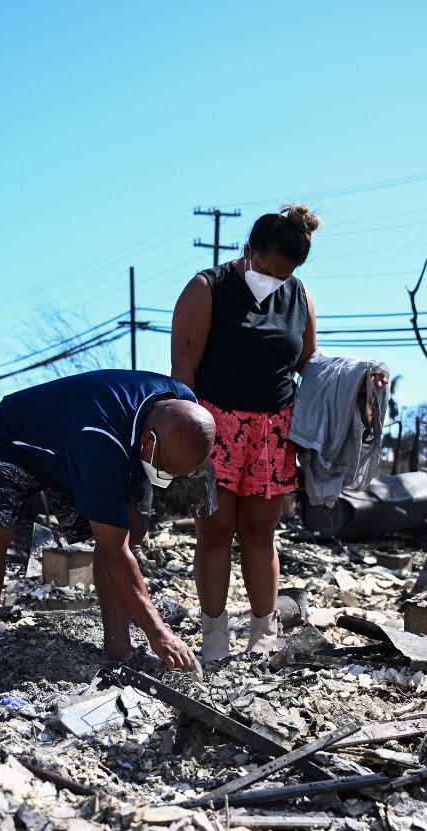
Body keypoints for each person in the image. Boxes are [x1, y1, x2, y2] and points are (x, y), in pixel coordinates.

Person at [0, 369, 216, 695]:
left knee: (130, 528)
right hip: (9, 441)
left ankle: (119, 650)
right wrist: (160, 633)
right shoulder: (100, 440)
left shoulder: (183, 405)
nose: (165, 477)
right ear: (149, 441)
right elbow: (114, 553)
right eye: (164, 469)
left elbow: (121, 535)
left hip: (75, 445)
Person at [170, 204, 319, 662]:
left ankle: (263, 631)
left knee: (260, 532)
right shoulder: (206, 289)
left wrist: (361, 378)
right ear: (247, 251)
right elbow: (183, 370)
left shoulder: (300, 297)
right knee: (215, 531)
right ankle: (214, 634)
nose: (274, 280)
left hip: (273, 431)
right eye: (268, 269)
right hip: (214, 426)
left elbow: (310, 367)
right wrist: (186, 441)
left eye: (284, 274)